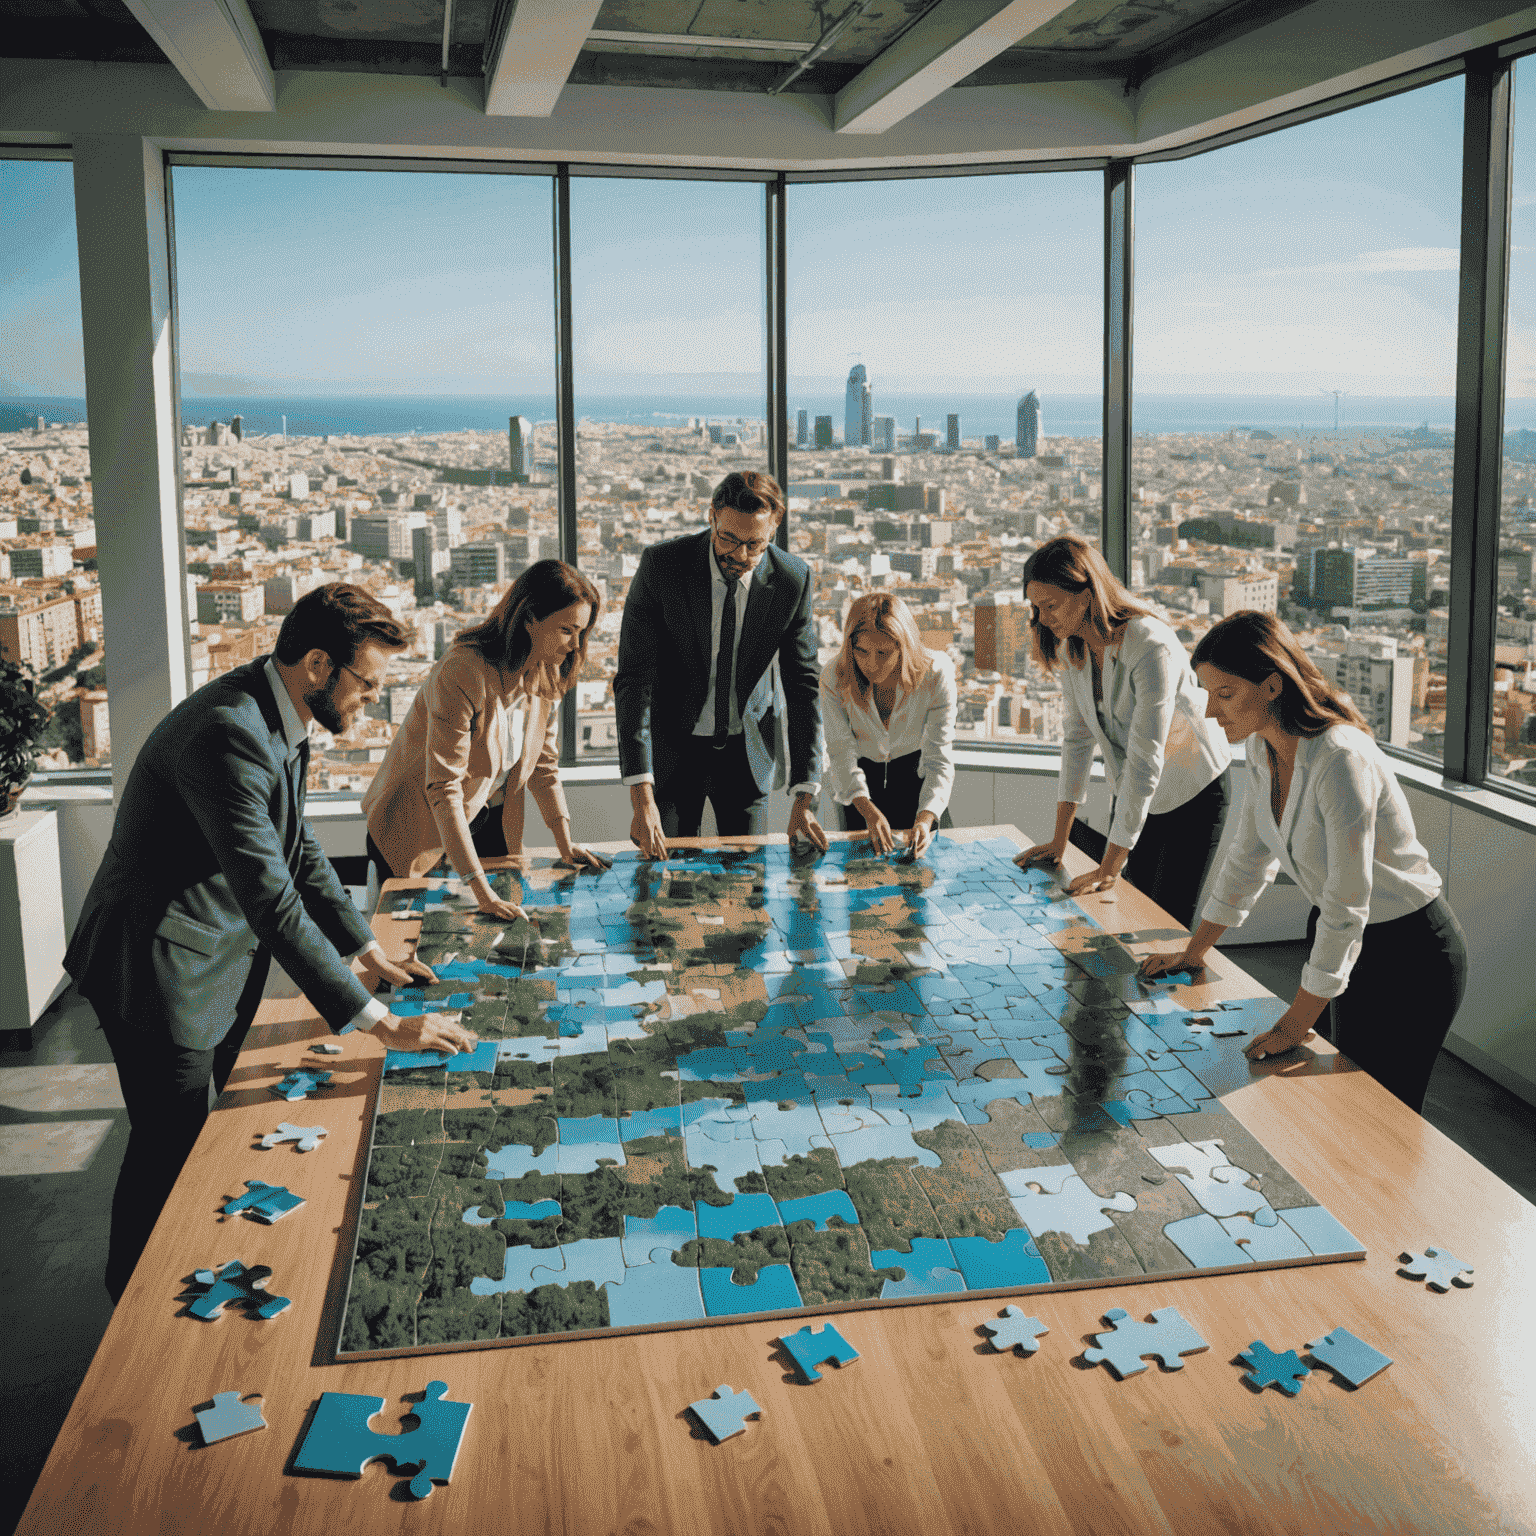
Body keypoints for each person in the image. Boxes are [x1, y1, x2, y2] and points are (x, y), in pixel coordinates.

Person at [64, 583, 478, 1302]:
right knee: (169, 1150)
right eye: (368, 686)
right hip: (158, 965)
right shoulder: (229, 732)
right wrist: (384, 1025)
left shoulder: (278, 711)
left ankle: (177, 1279)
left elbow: (297, 847)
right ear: (319, 665)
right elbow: (273, 900)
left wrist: (366, 947)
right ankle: (128, 1312)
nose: (371, 703)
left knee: (197, 1144)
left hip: (212, 959)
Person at [1140, 609, 1468, 1113]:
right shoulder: (1261, 749)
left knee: (1388, 1118)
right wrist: (1194, 951)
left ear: (1272, 686)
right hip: (1344, 939)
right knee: (1346, 1103)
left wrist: (1297, 1018)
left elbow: (1347, 900)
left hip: (1412, 953)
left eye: (1224, 695)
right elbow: (1246, 860)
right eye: (1207, 695)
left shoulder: (1340, 757)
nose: (1210, 712)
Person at [363, 559, 611, 920]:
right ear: (529, 619)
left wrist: (565, 844)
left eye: (580, 632)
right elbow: (444, 788)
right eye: (566, 630)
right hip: (414, 825)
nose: (575, 645)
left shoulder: (544, 671)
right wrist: (481, 891)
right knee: (413, 944)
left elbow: (543, 767)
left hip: (483, 816)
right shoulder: (463, 671)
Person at [1014, 535, 1231, 928]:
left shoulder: (1150, 645)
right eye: (1036, 607)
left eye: (1051, 606)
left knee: (1165, 920)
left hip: (1193, 789)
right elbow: (1077, 740)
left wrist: (1108, 867)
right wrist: (1059, 841)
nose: (1043, 619)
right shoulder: (1072, 648)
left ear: (1086, 594)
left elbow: (1148, 755)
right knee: (1125, 910)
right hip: (1133, 783)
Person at [614, 470, 827, 858]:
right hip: (674, 747)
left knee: (749, 888)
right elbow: (634, 679)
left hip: (747, 754)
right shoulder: (663, 566)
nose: (740, 556)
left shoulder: (792, 580)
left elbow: (803, 686)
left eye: (755, 545)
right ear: (712, 516)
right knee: (668, 886)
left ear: (774, 530)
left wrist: (805, 799)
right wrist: (641, 798)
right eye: (729, 539)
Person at [820, 591, 957, 858]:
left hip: (917, 781)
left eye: (883, 652)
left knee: (927, 884)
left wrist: (925, 819)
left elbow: (939, 758)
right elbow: (840, 750)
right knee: (861, 886)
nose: (871, 664)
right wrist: (867, 809)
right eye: (861, 651)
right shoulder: (835, 676)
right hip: (860, 792)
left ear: (903, 645)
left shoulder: (936, 673)